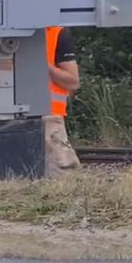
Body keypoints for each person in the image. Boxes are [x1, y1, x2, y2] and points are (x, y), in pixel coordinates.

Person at [44, 25, 81, 175]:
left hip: (48, 119)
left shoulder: (55, 32)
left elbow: (72, 81)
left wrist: (43, 66)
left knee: (62, 178)